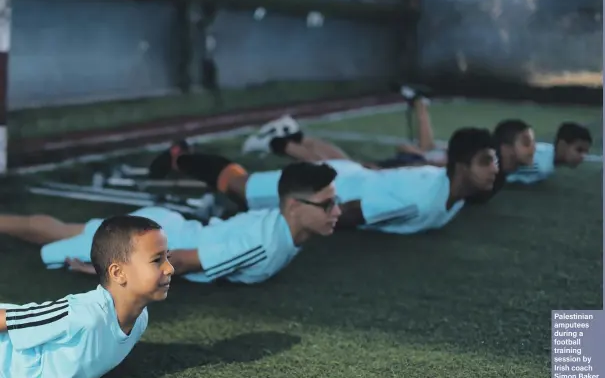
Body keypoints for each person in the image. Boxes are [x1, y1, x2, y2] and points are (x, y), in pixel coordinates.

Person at [0, 163, 341, 285]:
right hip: (150, 240)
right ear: (294, 206)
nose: (337, 211)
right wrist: (110, 267)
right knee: (55, 234)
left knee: (68, 228)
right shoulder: (265, 244)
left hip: (167, 227)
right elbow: (181, 260)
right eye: (327, 205)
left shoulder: (285, 223)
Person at [146, 126, 499, 236]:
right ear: (460, 166)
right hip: (332, 186)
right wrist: (300, 222)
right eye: (486, 162)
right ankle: (181, 157)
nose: (494, 169)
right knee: (244, 189)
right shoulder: (423, 198)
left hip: (350, 176)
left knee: (247, 193)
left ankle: (284, 140)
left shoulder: (454, 194)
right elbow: (351, 213)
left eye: (495, 160)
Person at [0, 215, 173, 378]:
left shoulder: (140, 319)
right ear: (118, 273)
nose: (170, 268)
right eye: (157, 260)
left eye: (168, 257)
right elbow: (12, 319)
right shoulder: (83, 315)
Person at [238, 86, 447, 169]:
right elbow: (409, 148)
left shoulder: (441, 163)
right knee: (337, 165)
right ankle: (278, 142)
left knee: (339, 163)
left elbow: (408, 147)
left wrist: (419, 153)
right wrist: (420, 154)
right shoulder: (445, 165)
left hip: (395, 171)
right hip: (392, 171)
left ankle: (287, 138)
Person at [506, 122, 593, 185]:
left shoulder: (547, 151)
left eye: (585, 152)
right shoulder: (543, 167)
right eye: (579, 150)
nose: (583, 156)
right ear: (562, 145)